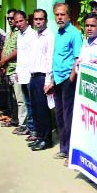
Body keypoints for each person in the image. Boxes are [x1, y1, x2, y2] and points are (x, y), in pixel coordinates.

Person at [46, 3, 82, 164]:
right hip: (58, 80)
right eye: (57, 15)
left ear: (68, 16)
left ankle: (71, 151)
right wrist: (53, 80)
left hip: (68, 80)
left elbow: (77, 59)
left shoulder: (74, 33)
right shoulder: (58, 33)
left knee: (69, 116)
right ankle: (64, 148)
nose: (59, 17)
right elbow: (56, 58)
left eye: (62, 14)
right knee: (59, 115)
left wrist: (71, 79)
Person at [27, 9, 54, 150]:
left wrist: (48, 81)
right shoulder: (34, 36)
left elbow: (50, 59)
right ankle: (39, 136)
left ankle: (46, 140)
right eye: (36, 19)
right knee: (35, 109)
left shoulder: (49, 36)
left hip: (43, 77)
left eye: (41, 19)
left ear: (46, 20)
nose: (38, 21)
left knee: (43, 110)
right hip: (33, 77)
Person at [0, 8, 24, 130]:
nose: (10, 20)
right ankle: (14, 119)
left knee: (19, 98)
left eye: (12, 18)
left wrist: (5, 60)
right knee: (12, 97)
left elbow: (17, 51)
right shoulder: (9, 33)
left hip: (15, 69)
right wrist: (3, 63)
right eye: (8, 18)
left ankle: (22, 123)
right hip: (8, 68)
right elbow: (5, 48)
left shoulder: (20, 33)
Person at [14, 10, 36, 136]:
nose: (19, 24)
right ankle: (29, 126)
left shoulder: (32, 34)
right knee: (27, 101)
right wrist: (17, 71)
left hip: (30, 74)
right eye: (16, 22)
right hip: (22, 73)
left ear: (26, 20)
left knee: (32, 102)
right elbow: (20, 56)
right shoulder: (20, 35)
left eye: (21, 21)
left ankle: (33, 128)